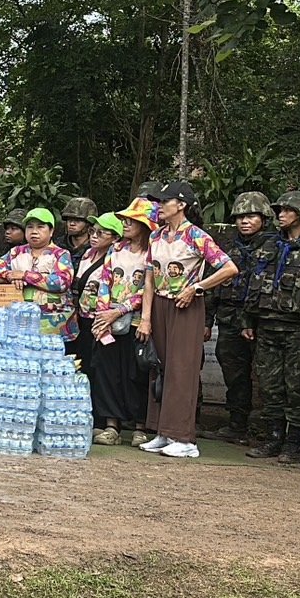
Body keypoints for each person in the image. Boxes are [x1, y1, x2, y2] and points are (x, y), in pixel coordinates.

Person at [137, 181, 237, 460]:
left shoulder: (196, 236)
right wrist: (145, 318)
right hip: (159, 304)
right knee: (161, 367)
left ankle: (184, 438)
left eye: (163, 201)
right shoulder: (156, 236)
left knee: (182, 370)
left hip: (185, 307)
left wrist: (197, 288)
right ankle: (163, 431)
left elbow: (229, 268)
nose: (158, 206)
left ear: (181, 205)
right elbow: (149, 278)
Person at [241, 191, 300, 465]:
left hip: (298, 329)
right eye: (279, 210)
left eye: (287, 210)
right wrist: (248, 321)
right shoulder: (270, 245)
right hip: (266, 326)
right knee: (269, 386)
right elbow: (252, 284)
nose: (280, 215)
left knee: (297, 388)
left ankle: (294, 443)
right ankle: (274, 438)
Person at [209, 191, 271, 445]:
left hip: (262, 321)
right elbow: (213, 285)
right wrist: (207, 321)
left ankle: (272, 432)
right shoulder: (229, 248)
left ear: (264, 218)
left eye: (251, 216)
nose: (244, 221)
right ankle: (237, 425)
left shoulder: (274, 247)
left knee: (268, 377)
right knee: (233, 373)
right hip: (229, 319)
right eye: (240, 217)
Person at [88, 206, 152, 445]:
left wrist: (120, 310)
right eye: (124, 220)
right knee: (108, 371)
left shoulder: (152, 252)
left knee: (136, 373)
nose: (125, 224)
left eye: (131, 220)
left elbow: (149, 288)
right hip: (109, 320)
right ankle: (111, 426)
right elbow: (105, 282)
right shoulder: (115, 250)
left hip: (136, 320)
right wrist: (104, 315)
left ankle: (140, 427)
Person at [0, 208, 75, 340]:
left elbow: (61, 282)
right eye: (30, 227)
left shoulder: (60, 254)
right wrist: (9, 276)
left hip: (54, 327)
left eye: (40, 227)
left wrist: (25, 276)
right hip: (20, 326)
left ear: (51, 231)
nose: (34, 231)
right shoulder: (16, 253)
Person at [68, 210, 119, 380]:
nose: (94, 236)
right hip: (81, 315)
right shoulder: (87, 254)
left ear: (115, 238)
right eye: (92, 231)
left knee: (99, 367)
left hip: (100, 319)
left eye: (101, 233)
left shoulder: (116, 259)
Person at [58, 197, 98, 262]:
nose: (72, 224)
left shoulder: (96, 248)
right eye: (69, 219)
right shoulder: (58, 245)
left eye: (77, 220)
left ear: (88, 224)